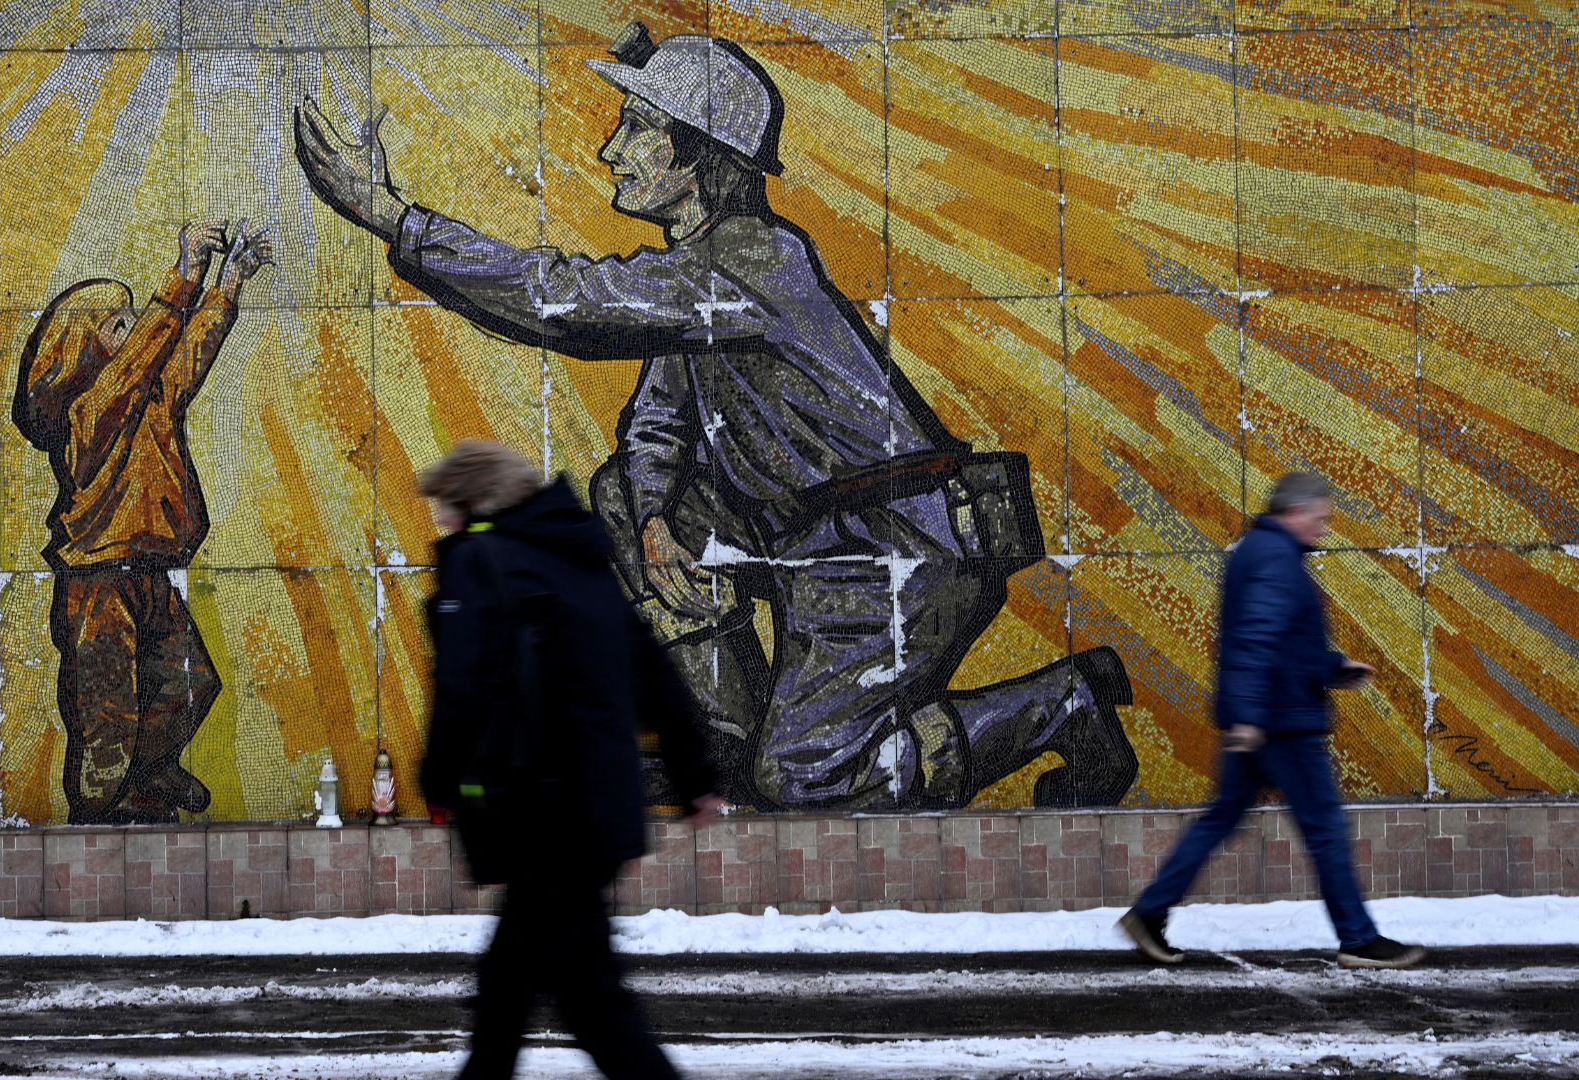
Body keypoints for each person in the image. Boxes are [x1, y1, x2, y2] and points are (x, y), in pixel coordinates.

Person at [295, 22, 1138, 813]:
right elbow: (658, 422)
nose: (609, 151)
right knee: (625, 489)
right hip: (815, 547)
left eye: (636, 129)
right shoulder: (701, 278)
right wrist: (659, 514)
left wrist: (391, 216)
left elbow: (565, 302)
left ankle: (1061, 704)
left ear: (697, 158)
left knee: (807, 777)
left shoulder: (750, 264)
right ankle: (722, 738)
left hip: (894, 558)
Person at [415, 439, 724, 1080]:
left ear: (473, 502)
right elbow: (652, 670)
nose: (440, 520)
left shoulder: (483, 560)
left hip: (542, 811)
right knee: (511, 990)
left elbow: (464, 684)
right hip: (595, 810)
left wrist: (438, 777)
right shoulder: (577, 562)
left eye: (445, 505)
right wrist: (694, 775)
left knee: (588, 1005)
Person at [10, 219, 272, 824]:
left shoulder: (147, 405)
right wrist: (184, 275)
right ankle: (99, 818)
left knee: (192, 684)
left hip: (150, 571)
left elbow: (186, 359)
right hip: (97, 582)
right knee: (109, 717)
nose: (134, 334)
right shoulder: (91, 414)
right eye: (118, 325)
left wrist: (227, 282)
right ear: (85, 352)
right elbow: (139, 366)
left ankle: (148, 776)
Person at [1116, 472, 1425, 970]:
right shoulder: (1277, 560)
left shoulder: (1262, 553)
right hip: (1281, 724)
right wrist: (1248, 716)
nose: (1324, 529)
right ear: (1295, 512)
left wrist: (1333, 669)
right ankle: (1358, 937)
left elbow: (1280, 645)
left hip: (1266, 717)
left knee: (1221, 818)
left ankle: (1149, 912)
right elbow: (1255, 641)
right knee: (1324, 827)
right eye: (1321, 519)